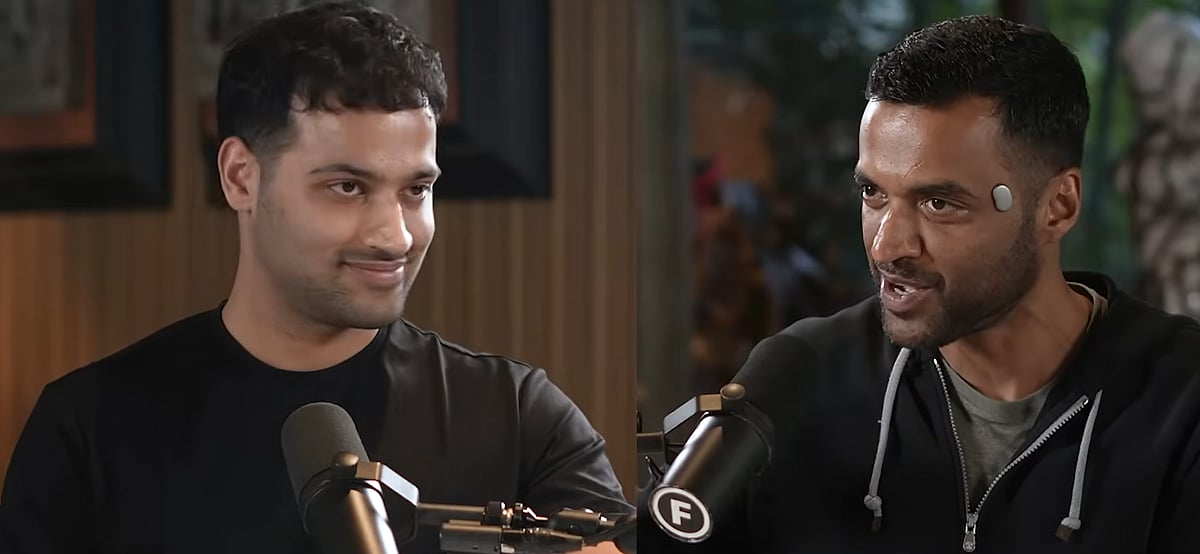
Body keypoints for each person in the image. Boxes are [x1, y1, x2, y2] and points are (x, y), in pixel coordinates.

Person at [0, 3, 631, 554]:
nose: (395, 235)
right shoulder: (87, 429)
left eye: (416, 189)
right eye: (347, 187)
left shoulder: (518, 418)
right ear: (241, 178)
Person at [640, 14, 1200, 554]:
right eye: (873, 194)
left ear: (1058, 206)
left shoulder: (1183, 396)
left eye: (939, 203)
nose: (887, 246)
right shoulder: (802, 376)